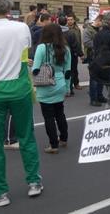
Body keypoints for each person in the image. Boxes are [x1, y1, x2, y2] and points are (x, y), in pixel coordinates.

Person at [0, 0, 43, 207]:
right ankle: (34, 182)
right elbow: (25, 51)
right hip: (20, 90)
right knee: (27, 136)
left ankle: (0, 193)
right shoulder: (21, 28)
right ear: (9, 9)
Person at [32, 23, 71, 154]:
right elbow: (68, 71)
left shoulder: (42, 48)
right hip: (60, 83)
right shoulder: (65, 49)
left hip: (46, 84)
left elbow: (36, 69)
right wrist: (66, 87)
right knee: (60, 112)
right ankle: (64, 138)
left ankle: (53, 144)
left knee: (48, 117)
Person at [89, 11, 110, 106]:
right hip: (109, 66)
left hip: (98, 63)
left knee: (99, 83)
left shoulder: (99, 33)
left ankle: (97, 97)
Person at [58, 16, 83, 96]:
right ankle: (70, 89)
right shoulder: (71, 33)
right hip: (71, 55)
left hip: (59, 54)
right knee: (71, 71)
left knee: (60, 71)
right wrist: (80, 54)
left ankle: (62, 88)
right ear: (66, 22)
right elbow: (76, 45)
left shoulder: (56, 33)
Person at [66, 13, 84, 91]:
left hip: (74, 52)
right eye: (68, 20)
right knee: (67, 69)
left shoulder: (77, 29)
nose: (69, 21)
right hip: (66, 52)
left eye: (71, 20)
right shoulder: (64, 29)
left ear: (74, 20)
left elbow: (79, 41)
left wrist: (80, 52)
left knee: (74, 69)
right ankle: (68, 86)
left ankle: (76, 83)